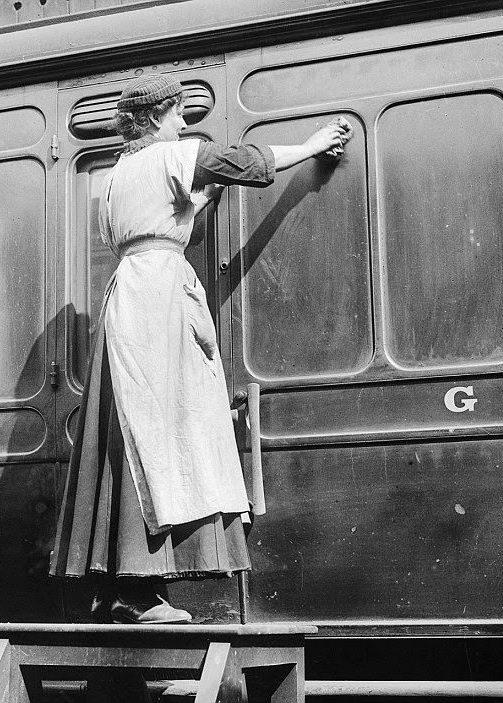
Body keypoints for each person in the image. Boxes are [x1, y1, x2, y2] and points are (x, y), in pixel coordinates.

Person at [50, 73, 351, 624]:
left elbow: (169, 216)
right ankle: (138, 594)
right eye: (178, 114)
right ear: (156, 119)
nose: (185, 124)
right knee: (162, 432)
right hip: (158, 304)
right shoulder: (173, 156)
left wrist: (199, 198)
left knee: (134, 438)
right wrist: (311, 146)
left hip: (131, 298)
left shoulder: (120, 174)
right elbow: (246, 164)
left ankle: (119, 586)